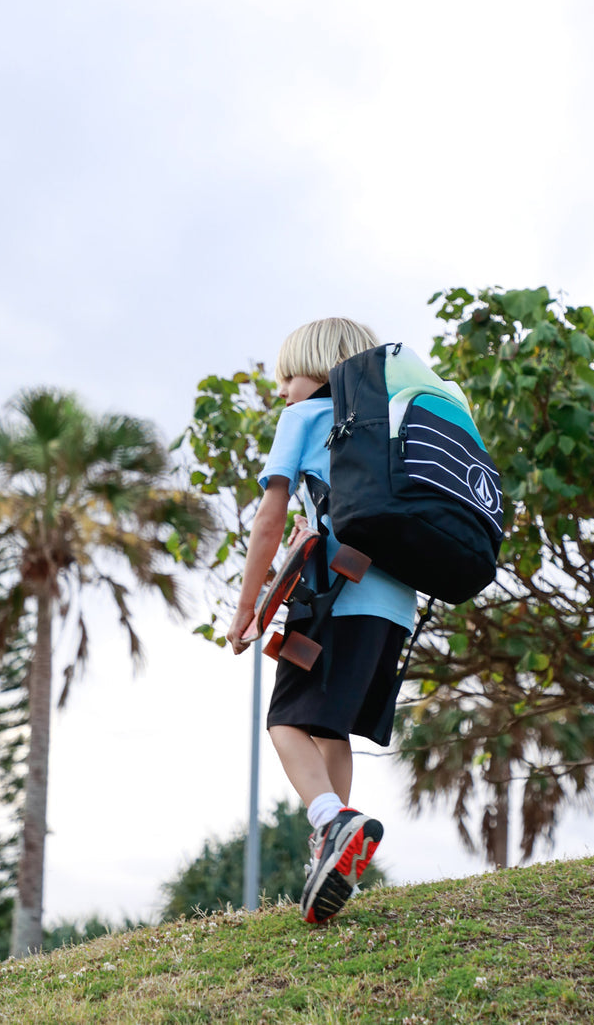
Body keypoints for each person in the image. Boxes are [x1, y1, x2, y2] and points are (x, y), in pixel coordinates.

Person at [226, 318, 417, 923]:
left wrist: (247, 606)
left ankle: (332, 823)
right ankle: (333, 860)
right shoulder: (390, 419)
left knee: (285, 722)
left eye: (288, 376)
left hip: (338, 594)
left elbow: (268, 517)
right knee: (330, 730)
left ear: (320, 368)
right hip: (396, 603)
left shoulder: (307, 418)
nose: (282, 390)